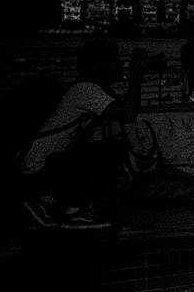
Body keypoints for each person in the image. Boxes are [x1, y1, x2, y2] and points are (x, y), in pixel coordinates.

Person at [18, 38, 150, 228]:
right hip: (38, 170)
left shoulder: (90, 91)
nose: (121, 64)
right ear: (101, 66)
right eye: (115, 60)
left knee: (106, 151)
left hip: (43, 167)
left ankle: (59, 202)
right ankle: (59, 206)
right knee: (109, 151)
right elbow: (128, 113)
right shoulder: (85, 91)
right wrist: (136, 75)